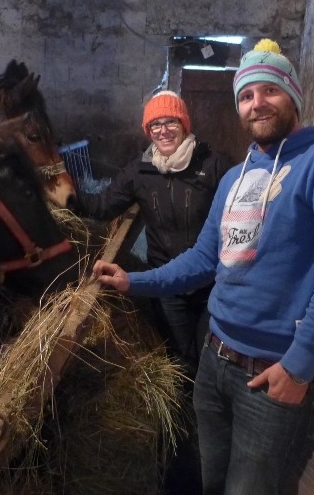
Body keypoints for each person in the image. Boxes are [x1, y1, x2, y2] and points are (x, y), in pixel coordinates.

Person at [92, 39, 314, 494]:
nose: (256, 103)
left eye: (270, 91)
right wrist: (134, 280)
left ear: (294, 96)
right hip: (215, 359)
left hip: (271, 374)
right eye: (246, 95)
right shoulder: (234, 178)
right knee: (211, 480)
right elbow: (206, 258)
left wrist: (299, 366)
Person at [77, 90, 232, 377]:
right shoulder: (140, 171)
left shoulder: (214, 166)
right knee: (181, 357)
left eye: (170, 121)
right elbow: (101, 206)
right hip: (167, 283)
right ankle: (189, 417)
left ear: (184, 124)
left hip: (212, 282)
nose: (163, 131)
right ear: (148, 131)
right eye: (155, 125)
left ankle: (212, 410)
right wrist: (61, 191)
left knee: (212, 355)